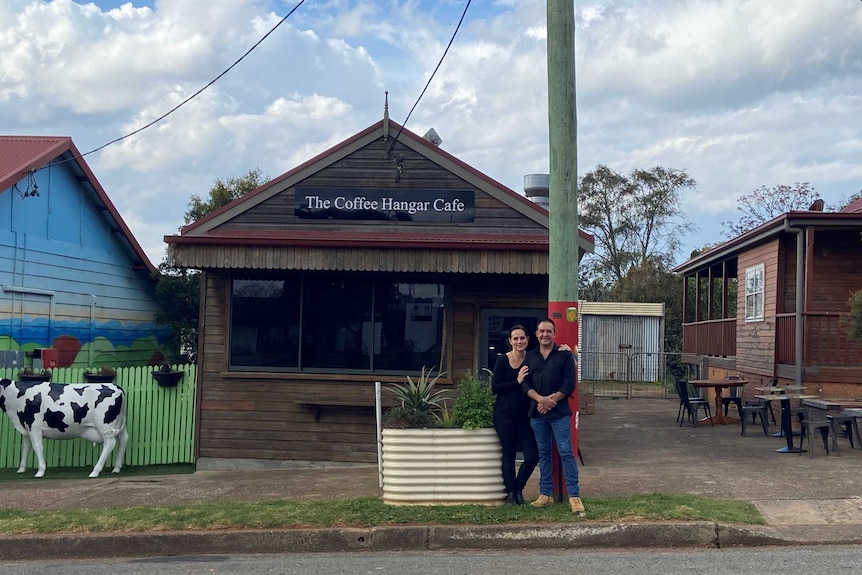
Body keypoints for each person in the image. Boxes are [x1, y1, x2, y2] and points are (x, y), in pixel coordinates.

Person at [522, 318, 584, 516]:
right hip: (537, 413)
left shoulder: (564, 356)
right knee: (544, 454)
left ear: (554, 334)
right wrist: (541, 399)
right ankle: (545, 493)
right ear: (536, 334)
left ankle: (574, 496)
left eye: (549, 331)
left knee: (566, 452)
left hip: (559, 413)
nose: (545, 334)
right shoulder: (530, 357)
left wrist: (551, 400)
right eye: (541, 331)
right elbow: (525, 384)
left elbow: (569, 384)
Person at [491, 325, 539, 505]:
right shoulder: (503, 360)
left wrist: (565, 348)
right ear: (510, 341)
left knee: (533, 455)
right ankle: (511, 493)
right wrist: (517, 381)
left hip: (525, 416)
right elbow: (495, 388)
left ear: (527, 339)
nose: (519, 341)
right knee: (509, 454)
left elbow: (550, 352)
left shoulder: (532, 358)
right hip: (504, 414)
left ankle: (519, 487)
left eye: (522, 338)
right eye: (515, 338)